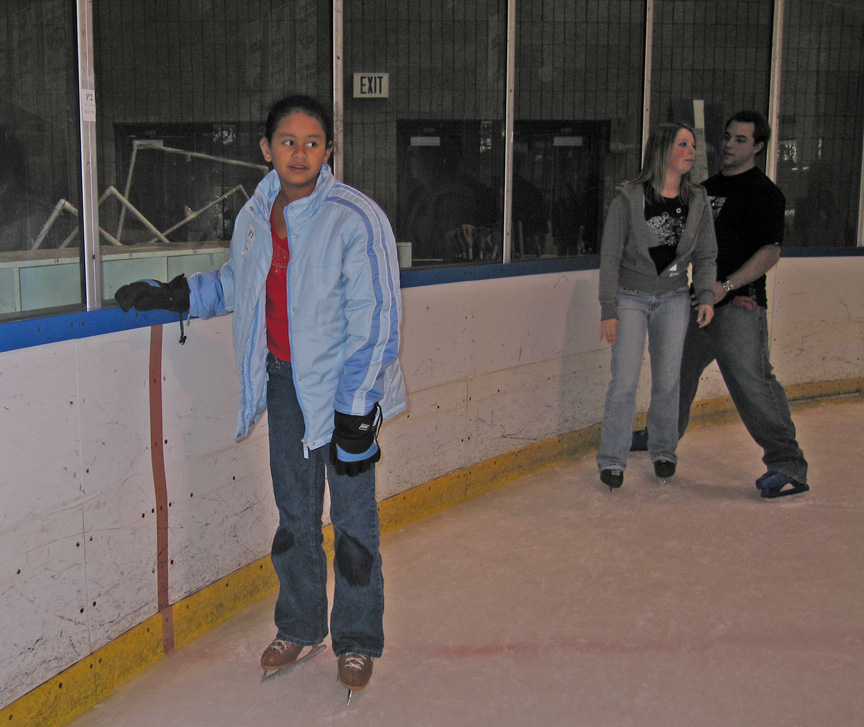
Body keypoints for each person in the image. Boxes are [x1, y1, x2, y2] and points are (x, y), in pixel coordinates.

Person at [114, 95, 407, 696]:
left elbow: (378, 320)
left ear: (329, 150)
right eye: (287, 141)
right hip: (284, 386)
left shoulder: (356, 217)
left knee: (353, 521)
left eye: (313, 142)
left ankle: (356, 639)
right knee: (296, 516)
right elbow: (237, 284)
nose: (299, 153)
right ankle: (300, 626)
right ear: (265, 148)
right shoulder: (254, 215)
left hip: (345, 394)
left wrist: (356, 408)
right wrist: (181, 294)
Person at [671, 110, 809, 498]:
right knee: (674, 374)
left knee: (752, 383)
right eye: (727, 137)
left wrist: (726, 286)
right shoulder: (703, 189)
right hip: (696, 303)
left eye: (740, 140)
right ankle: (663, 437)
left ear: (758, 146)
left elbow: (770, 252)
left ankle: (788, 465)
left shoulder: (766, 194)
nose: (729, 145)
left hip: (738, 306)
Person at [597, 123, 717, 491]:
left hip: (675, 298)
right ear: (664, 150)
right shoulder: (628, 199)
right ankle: (613, 459)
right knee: (624, 383)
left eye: (693, 145)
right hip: (631, 297)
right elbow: (610, 256)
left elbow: (707, 254)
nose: (691, 151)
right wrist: (609, 308)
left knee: (668, 381)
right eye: (683, 144)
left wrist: (707, 294)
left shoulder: (697, 201)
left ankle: (664, 450)